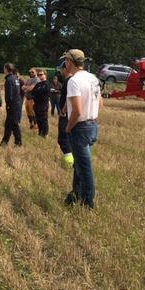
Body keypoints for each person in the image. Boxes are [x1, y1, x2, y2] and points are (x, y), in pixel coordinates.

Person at [64, 49, 102, 209]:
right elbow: (100, 103)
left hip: (79, 128)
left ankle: (88, 203)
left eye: (65, 60)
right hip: (92, 125)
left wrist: (68, 127)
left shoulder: (74, 81)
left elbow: (78, 111)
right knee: (79, 164)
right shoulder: (93, 78)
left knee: (85, 168)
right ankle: (75, 194)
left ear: (70, 62)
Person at [57, 59, 74, 170]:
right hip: (69, 114)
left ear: (65, 69)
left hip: (66, 115)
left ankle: (70, 162)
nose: (60, 72)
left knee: (63, 139)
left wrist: (63, 111)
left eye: (61, 69)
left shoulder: (69, 81)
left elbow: (70, 99)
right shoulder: (70, 81)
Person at [0, 63, 22, 147]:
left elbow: (9, 95)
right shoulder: (15, 79)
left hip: (12, 105)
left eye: (4, 68)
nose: (3, 70)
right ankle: (5, 142)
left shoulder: (9, 80)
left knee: (14, 124)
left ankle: (18, 142)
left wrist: (9, 105)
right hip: (17, 103)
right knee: (9, 124)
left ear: (6, 69)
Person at [31, 70, 51, 137]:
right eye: (39, 74)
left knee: (43, 119)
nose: (40, 76)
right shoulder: (38, 84)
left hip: (43, 104)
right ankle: (40, 132)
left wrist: (38, 92)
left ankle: (45, 133)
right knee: (38, 119)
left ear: (45, 75)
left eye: (41, 74)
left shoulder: (47, 84)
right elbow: (33, 92)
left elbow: (45, 93)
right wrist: (38, 92)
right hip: (36, 104)